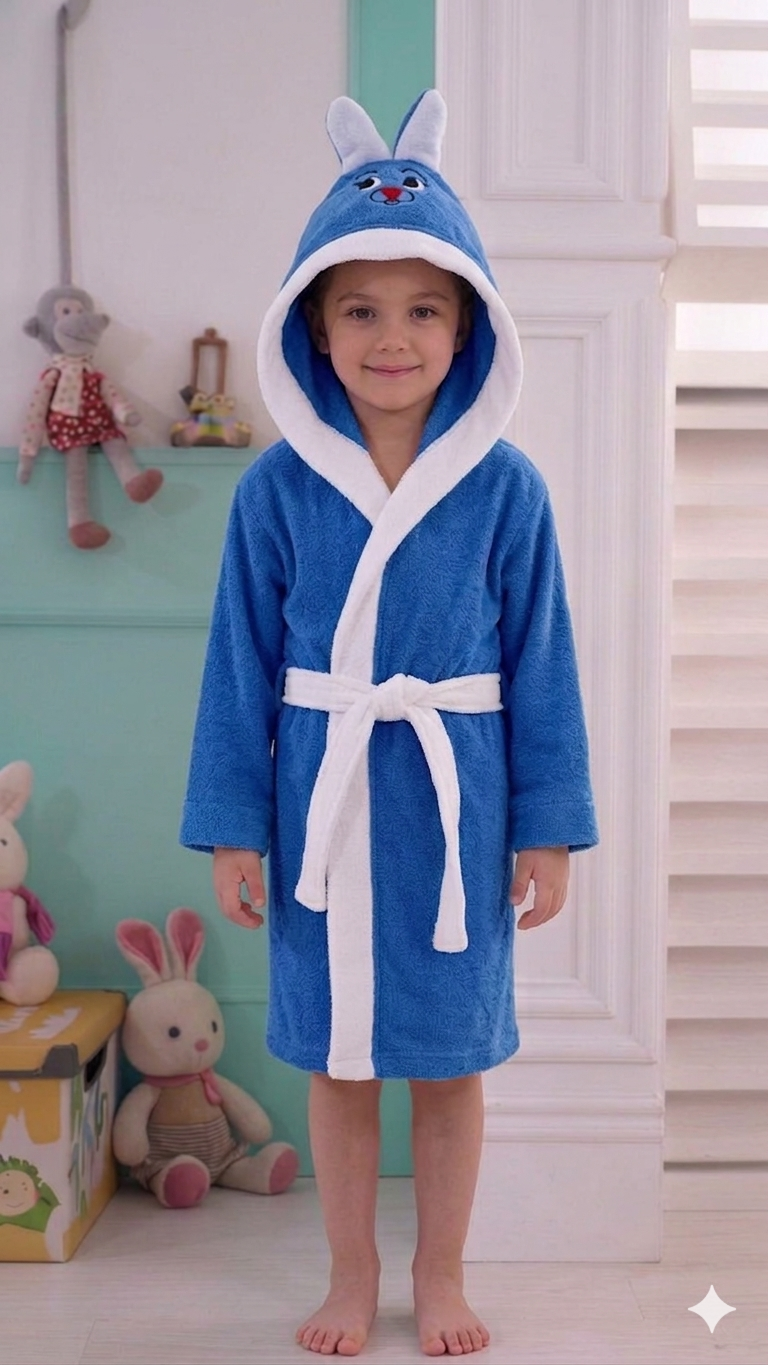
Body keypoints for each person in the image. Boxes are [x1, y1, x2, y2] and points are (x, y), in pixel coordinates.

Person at [180, 90, 598, 1359]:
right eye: (360, 309)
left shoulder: (507, 488)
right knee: (340, 1059)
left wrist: (549, 829)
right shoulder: (276, 488)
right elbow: (239, 668)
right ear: (313, 323)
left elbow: (542, 667)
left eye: (424, 309)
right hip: (325, 798)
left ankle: (443, 1274)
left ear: (468, 324)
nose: (392, 336)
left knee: (451, 1063)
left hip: (453, 803)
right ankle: (351, 1273)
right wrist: (234, 828)